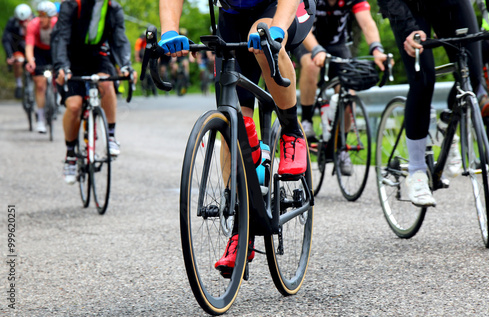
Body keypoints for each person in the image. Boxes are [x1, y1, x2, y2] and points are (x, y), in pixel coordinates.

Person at [159, 0, 315, 274]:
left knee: (265, 35)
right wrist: (169, 30)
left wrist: (278, 27)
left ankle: (291, 132)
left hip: (281, 7)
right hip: (232, 16)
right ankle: (242, 225)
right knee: (232, 120)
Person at [377, 0, 489, 207]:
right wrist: (408, 29)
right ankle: (416, 169)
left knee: (473, 76)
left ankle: (444, 129)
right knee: (423, 80)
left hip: (451, 3)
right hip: (409, 6)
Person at [293, 0, 388, 175]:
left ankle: (341, 145)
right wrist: (316, 50)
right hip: (308, 41)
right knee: (311, 65)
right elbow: (301, 22)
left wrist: (376, 49)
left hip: (337, 45)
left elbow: (367, 23)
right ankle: (306, 120)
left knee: (347, 91)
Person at [51, 0, 136, 184]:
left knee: (106, 83)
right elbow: (61, 37)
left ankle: (111, 136)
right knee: (74, 106)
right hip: (71, 59)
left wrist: (126, 66)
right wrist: (61, 67)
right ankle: (71, 154)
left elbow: (120, 39)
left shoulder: (113, 7)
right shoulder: (71, 5)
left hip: (98, 55)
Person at [25, 1, 58, 134]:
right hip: (39, 52)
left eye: (45, 16)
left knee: (59, 74)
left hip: (54, 50)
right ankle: (40, 117)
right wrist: (30, 61)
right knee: (40, 85)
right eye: (40, 15)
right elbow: (29, 46)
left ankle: (57, 95)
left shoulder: (57, 25)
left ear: (51, 17)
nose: (41, 19)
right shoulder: (33, 25)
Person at [2, 4, 33, 99]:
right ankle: (19, 84)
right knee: (18, 61)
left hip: (33, 50)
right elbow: (6, 39)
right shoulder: (12, 23)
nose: (23, 23)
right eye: (21, 21)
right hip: (19, 49)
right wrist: (9, 55)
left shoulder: (36, 22)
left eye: (25, 21)